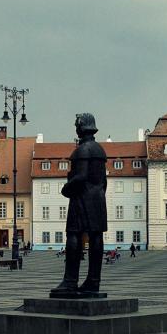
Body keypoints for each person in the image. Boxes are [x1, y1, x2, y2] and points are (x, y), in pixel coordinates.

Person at [51, 113, 107, 296]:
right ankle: (93, 281)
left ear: (81, 127)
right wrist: (98, 194)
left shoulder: (83, 150)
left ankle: (70, 281)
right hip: (98, 198)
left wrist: (67, 188)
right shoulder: (100, 150)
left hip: (81, 198)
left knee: (73, 235)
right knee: (96, 237)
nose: (76, 127)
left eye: (77, 125)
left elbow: (81, 176)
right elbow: (104, 181)